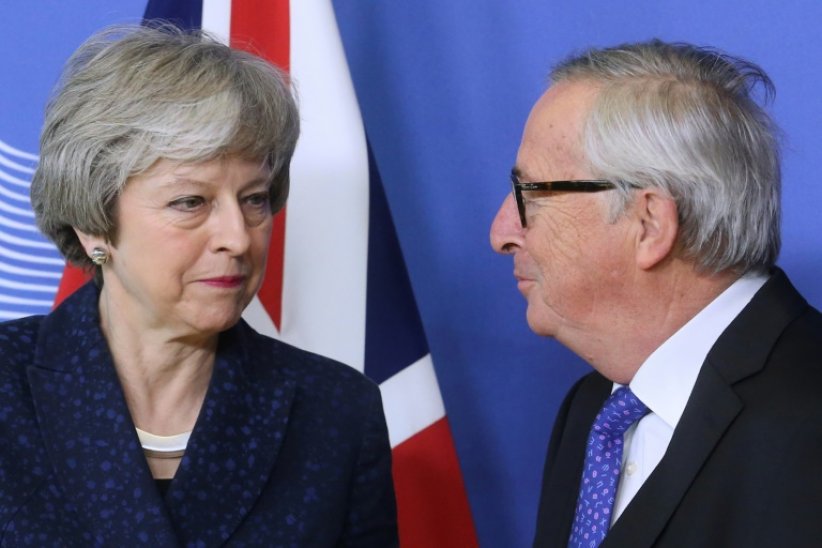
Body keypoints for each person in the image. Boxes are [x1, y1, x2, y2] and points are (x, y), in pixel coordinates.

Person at [0, 24, 397, 546]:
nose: (238, 236)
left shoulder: (337, 411)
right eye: (191, 202)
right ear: (94, 223)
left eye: (254, 198)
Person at [490, 39, 822, 547]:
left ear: (648, 224)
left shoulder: (809, 426)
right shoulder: (593, 410)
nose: (501, 233)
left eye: (529, 194)